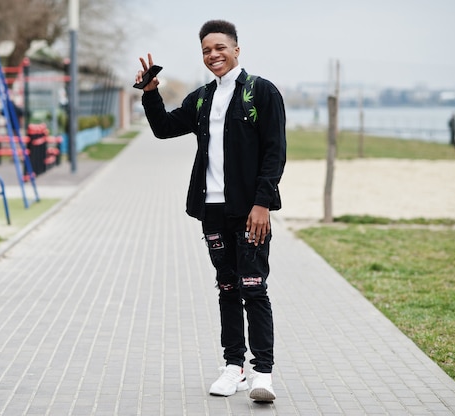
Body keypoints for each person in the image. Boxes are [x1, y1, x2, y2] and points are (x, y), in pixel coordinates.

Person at [135, 19, 286, 402]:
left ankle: (262, 374)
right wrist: (151, 92)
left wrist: (262, 203)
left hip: (250, 210)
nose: (213, 55)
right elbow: (165, 128)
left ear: (237, 49)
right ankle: (233, 367)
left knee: (254, 288)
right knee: (226, 288)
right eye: (206, 50)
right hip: (212, 210)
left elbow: (275, 151)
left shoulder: (261, 92)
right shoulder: (202, 97)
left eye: (220, 47)